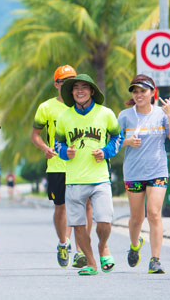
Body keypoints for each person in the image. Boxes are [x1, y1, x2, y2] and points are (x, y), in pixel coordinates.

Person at [54, 74, 122, 276]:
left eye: (84, 87)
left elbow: (118, 136)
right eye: (76, 88)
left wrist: (106, 152)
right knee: (78, 225)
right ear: (71, 92)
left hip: (100, 178)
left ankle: (102, 247)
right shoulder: (65, 117)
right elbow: (58, 143)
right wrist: (66, 152)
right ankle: (91, 263)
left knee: (104, 222)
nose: (80, 91)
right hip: (74, 180)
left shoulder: (106, 113)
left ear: (92, 91)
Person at [31, 64, 92, 268]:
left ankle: (81, 249)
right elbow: (35, 135)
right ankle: (63, 243)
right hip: (57, 166)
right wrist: (45, 148)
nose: (67, 85)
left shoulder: (84, 105)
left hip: (83, 166)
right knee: (61, 208)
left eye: (71, 81)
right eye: (63, 81)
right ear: (56, 84)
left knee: (86, 206)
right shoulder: (46, 107)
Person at [118, 74, 170, 274]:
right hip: (134, 172)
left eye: (143, 91)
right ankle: (134, 244)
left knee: (155, 214)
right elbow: (112, 143)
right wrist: (127, 142)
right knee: (137, 218)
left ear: (152, 93)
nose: (139, 94)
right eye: (135, 91)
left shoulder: (162, 114)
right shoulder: (124, 116)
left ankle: (155, 259)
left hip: (157, 170)